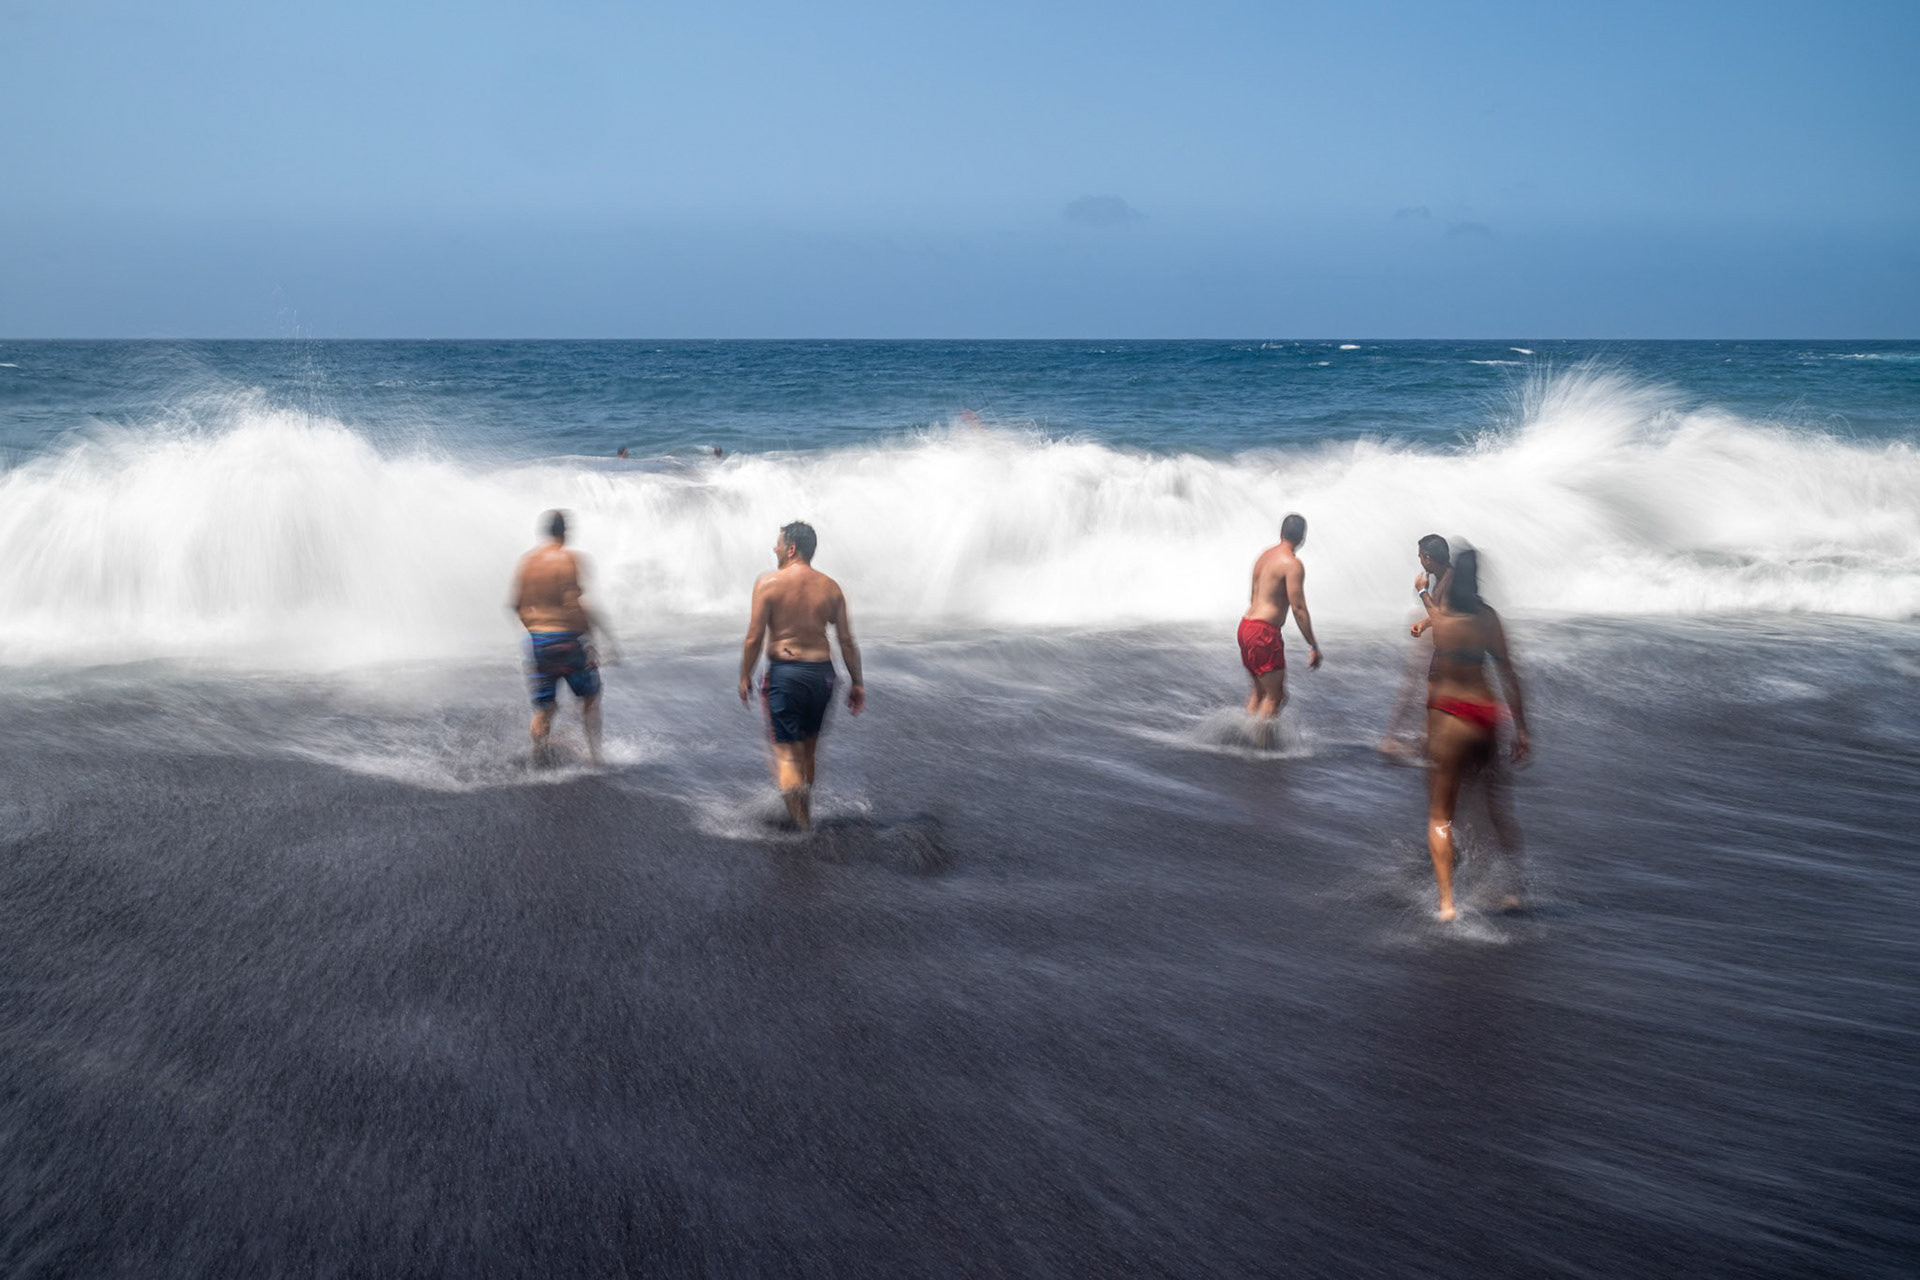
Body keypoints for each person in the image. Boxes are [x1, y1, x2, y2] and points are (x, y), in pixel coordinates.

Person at [1419, 548, 1529, 921]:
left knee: (1440, 814)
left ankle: (1448, 903)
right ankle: (1512, 889)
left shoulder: (1445, 619)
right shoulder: (1488, 618)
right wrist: (1523, 729)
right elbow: (1509, 676)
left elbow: (1433, 616)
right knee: (1497, 808)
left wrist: (1421, 593)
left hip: (1451, 715)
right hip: (1485, 715)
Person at [738, 522, 865, 830]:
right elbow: (847, 641)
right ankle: (803, 813)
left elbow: (754, 637)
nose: (775, 548)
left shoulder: (768, 584)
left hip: (787, 675)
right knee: (808, 751)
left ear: (791, 548)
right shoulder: (831, 587)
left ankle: (802, 830)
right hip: (823, 676)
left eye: (778, 544)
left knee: (786, 756)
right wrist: (858, 682)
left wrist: (745, 675)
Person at [510, 510, 614, 765]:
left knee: (545, 708)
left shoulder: (528, 562)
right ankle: (596, 758)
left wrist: (534, 631)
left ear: (546, 531)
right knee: (590, 698)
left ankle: (540, 757)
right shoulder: (568, 559)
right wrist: (591, 643)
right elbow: (574, 604)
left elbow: (515, 604)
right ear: (565, 532)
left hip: (539, 641)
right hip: (567, 640)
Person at [1238, 512, 1321, 745]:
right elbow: (1299, 607)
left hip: (1246, 627)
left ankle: (1243, 743)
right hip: (1263, 632)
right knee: (1276, 696)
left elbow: (1252, 594)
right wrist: (1313, 644)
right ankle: (1259, 751)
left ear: (1281, 532)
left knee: (1259, 692)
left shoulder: (1264, 555)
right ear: (1302, 537)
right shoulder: (1292, 564)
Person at [1380, 534, 1452, 756]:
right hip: (1442, 651)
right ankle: (1431, 744)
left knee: (1439, 703)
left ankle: (1436, 749)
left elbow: (1444, 619)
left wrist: (1422, 592)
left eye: (1420, 557)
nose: (1419, 561)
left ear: (1428, 559)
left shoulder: (1450, 582)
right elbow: (1442, 615)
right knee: (1434, 702)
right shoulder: (1445, 578)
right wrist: (1424, 623)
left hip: (1450, 653)